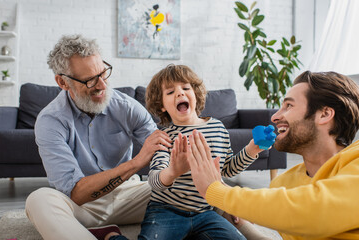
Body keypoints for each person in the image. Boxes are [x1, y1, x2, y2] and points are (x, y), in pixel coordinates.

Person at [25, 34, 172, 240]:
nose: (102, 85)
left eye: (103, 73)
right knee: (38, 200)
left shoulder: (126, 106)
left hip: (130, 196)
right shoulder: (50, 121)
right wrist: (137, 162)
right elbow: (75, 193)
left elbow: (163, 149)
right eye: (90, 80)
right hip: (83, 207)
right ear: (63, 82)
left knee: (191, 181)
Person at [187, 71, 359, 239]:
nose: (275, 116)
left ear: (325, 114)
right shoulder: (284, 184)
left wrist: (218, 192)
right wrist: (240, 223)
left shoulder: (356, 159)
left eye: (289, 106)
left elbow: (313, 211)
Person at [107, 64, 270, 240]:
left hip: (205, 211)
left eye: (186, 88)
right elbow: (154, 181)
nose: (180, 93)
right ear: (162, 106)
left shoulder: (217, 128)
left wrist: (252, 149)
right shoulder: (163, 137)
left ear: (195, 94)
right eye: (170, 92)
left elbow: (228, 169)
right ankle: (113, 237)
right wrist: (173, 172)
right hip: (166, 211)